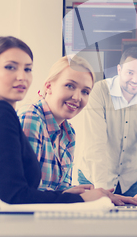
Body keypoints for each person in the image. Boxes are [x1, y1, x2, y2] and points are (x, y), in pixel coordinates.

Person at [0, 37, 114, 215]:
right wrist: (82, 200)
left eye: (28, 69)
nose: (22, 76)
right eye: (10, 67)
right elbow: (15, 197)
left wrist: (75, 196)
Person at [77, 47, 137, 197]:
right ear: (119, 70)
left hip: (128, 182)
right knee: (97, 219)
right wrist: (102, 192)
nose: (135, 80)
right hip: (93, 178)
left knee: (129, 220)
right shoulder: (99, 91)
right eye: (130, 72)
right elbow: (95, 144)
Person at [18, 56, 95, 193]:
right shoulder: (31, 118)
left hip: (48, 213)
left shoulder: (69, 133)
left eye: (85, 91)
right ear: (49, 86)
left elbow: (60, 188)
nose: (77, 97)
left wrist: (86, 193)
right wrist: (69, 195)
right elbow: (24, 191)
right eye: (70, 86)